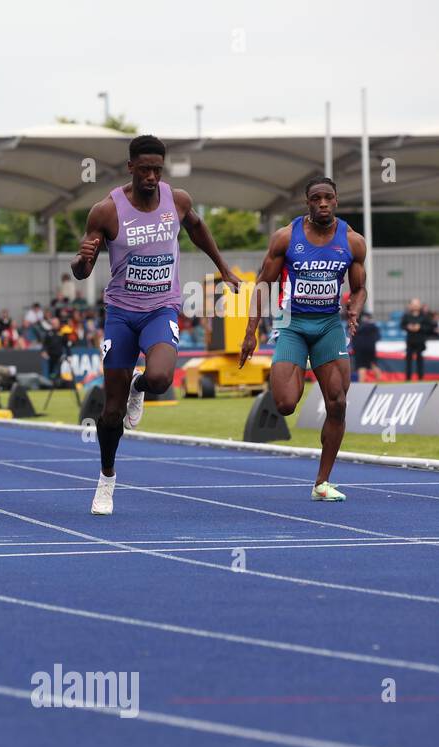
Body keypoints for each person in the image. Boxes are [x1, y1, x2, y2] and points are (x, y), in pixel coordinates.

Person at [72, 134, 239, 515]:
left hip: (161, 308)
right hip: (121, 314)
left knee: (162, 378)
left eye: (157, 170)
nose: (151, 176)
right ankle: (106, 479)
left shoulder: (176, 200)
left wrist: (223, 268)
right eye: (144, 169)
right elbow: (82, 272)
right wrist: (81, 262)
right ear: (130, 167)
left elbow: (196, 228)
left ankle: (140, 384)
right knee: (112, 412)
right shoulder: (106, 211)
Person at [241, 177, 366, 501]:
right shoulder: (286, 237)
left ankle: (321, 483)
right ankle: (297, 370)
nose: (322, 203)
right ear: (307, 202)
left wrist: (355, 306)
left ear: (336, 201)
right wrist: (250, 331)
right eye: (316, 198)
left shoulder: (353, 242)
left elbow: (360, 286)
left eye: (328, 198)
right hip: (291, 323)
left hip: (328, 325)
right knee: (284, 404)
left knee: (337, 402)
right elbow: (263, 284)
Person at [401, 298, 434, 381]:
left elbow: (430, 327)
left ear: (420, 305)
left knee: (420, 360)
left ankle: (420, 378)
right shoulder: (406, 315)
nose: (415, 306)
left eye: (417, 304)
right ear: (410, 305)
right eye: (413, 304)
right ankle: (408, 378)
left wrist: (420, 327)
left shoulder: (425, 316)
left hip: (420, 341)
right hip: (410, 341)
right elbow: (402, 325)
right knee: (408, 360)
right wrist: (408, 327)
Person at [350, 311, 380, 381]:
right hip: (370, 347)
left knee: (361, 366)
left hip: (359, 347)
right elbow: (378, 337)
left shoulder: (355, 324)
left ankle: (361, 384)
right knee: (373, 364)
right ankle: (379, 382)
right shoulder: (373, 326)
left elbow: (352, 336)